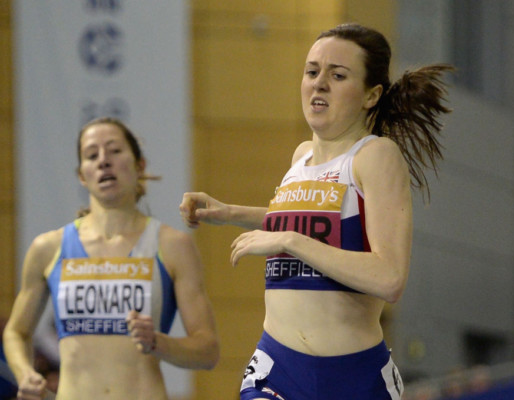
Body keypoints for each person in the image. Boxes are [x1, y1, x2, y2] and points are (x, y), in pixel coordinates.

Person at [180, 23, 453, 400]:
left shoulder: (374, 157)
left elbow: (389, 277)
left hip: (353, 378)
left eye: (337, 75)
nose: (319, 83)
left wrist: (291, 242)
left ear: (371, 95)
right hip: (276, 368)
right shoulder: (301, 156)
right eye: (312, 71)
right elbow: (317, 220)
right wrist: (229, 212)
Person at [3, 118, 219, 400]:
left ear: (140, 165)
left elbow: (208, 351)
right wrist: (25, 374)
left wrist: (158, 342)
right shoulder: (48, 248)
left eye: (115, 150)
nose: (104, 161)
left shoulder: (173, 246)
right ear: (82, 174)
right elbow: (16, 332)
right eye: (92, 155)